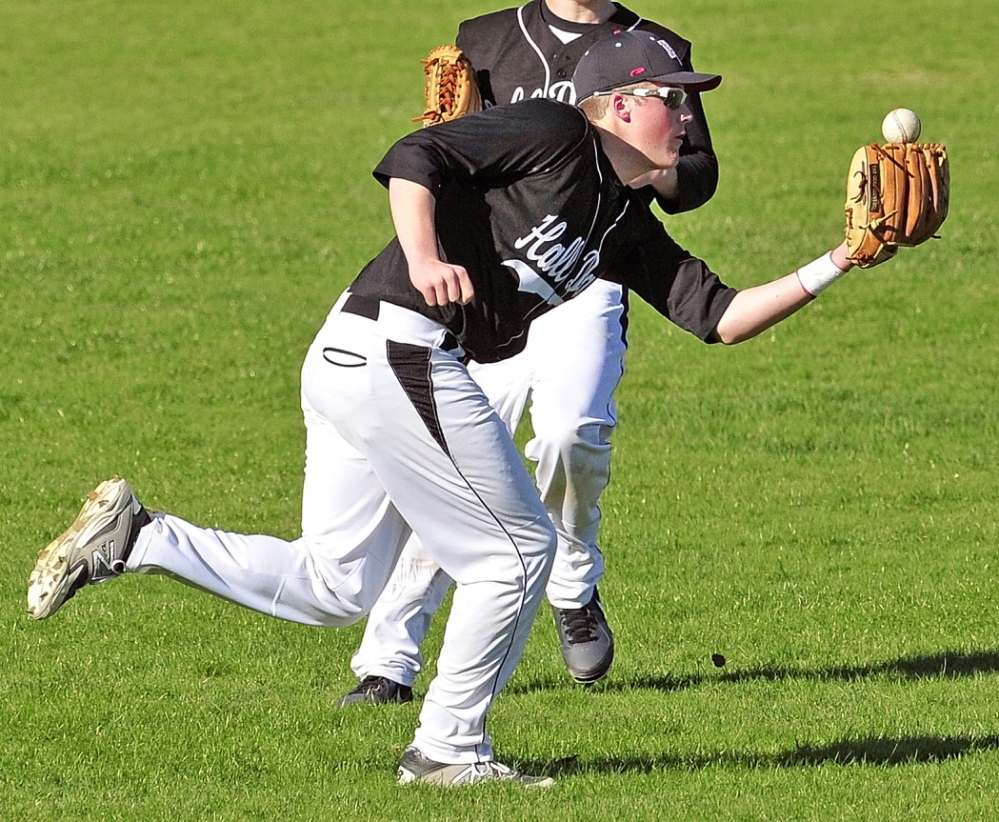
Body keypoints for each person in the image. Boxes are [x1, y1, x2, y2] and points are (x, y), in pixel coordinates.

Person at [28, 31, 872, 786]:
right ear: (617, 106)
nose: (685, 117)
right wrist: (427, 255)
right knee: (514, 555)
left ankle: (140, 537)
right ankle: (447, 749)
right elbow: (412, 155)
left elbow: (717, 317)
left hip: (368, 356)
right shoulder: (554, 133)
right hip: (397, 344)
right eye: (671, 97)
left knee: (335, 584)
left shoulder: (621, 222)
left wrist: (844, 257)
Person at [339, 0, 719, 706]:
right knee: (455, 466)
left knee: (573, 433)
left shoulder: (654, 46)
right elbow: (454, 153)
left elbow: (696, 176)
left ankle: (572, 582)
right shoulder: (483, 37)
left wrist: (641, 165)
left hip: (592, 272)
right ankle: (388, 659)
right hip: (489, 284)